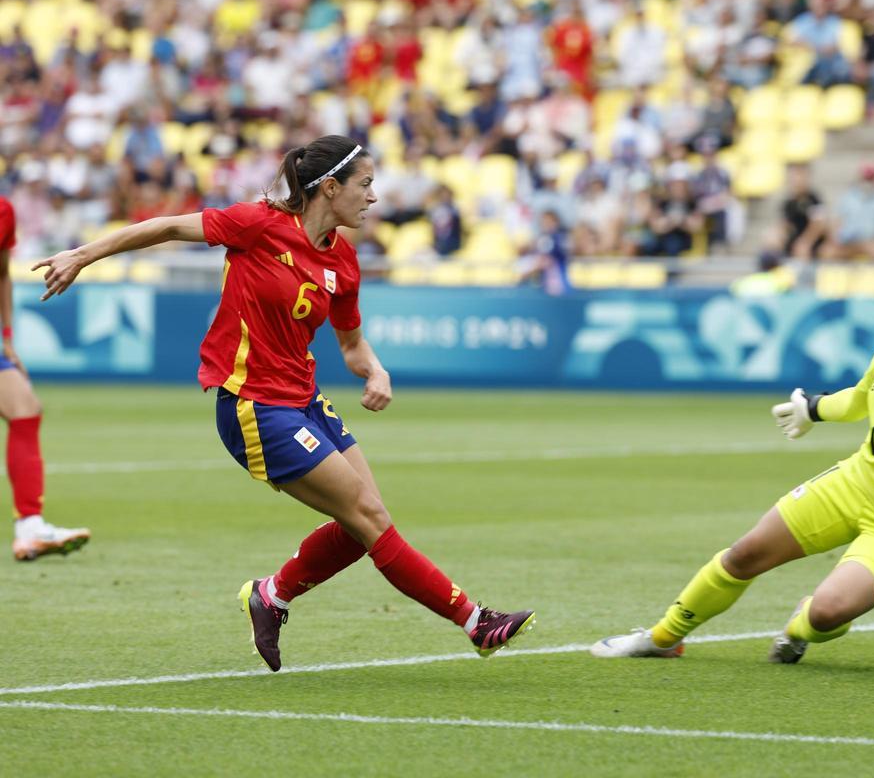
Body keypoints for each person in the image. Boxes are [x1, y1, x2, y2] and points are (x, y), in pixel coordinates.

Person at [34, 136, 535, 670]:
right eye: (365, 185)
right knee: (369, 517)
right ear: (330, 187)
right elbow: (167, 226)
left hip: (304, 399)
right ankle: (474, 621)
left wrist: (376, 369)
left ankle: (270, 596)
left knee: (361, 523)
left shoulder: (343, 260)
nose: (373, 198)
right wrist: (83, 255)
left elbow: (351, 345)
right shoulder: (259, 224)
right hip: (252, 405)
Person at [592, 266, 874, 662]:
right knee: (745, 554)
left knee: (827, 613)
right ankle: (663, 639)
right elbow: (857, 399)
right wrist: (812, 408)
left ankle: (798, 628)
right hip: (854, 486)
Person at [1, 195, 91, 561]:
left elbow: (1, 273)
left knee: (24, 409)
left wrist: (7, 338)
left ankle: (30, 528)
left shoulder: (5, 210)